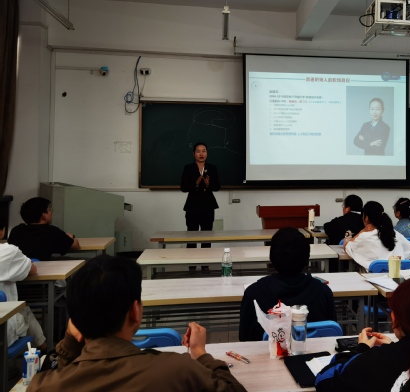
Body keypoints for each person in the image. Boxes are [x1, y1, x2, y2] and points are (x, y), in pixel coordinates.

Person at [28, 255, 247, 392]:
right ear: (135, 311)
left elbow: (58, 374)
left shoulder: (43, 386)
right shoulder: (177, 371)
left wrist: (70, 344)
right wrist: (200, 354)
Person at [239, 227, 336, 341]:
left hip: (268, 353)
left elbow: (244, 339)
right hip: (315, 352)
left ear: (271, 257)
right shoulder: (323, 292)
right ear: (307, 258)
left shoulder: (253, 293)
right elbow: (333, 337)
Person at [0, 207, 47, 351]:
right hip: (3, 328)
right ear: (2, 231)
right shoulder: (8, 251)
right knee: (23, 310)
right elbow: (32, 270)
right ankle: (47, 352)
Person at [344, 201, 410, 272]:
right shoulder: (394, 233)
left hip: (373, 278)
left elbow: (348, 247)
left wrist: (362, 231)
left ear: (366, 218)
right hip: (397, 276)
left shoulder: (364, 236)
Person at [180, 142, 221, 272]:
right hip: (192, 206)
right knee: (191, 235)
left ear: (207, 153)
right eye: (198, 151)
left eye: (204, 151)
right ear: (194, 154)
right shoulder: (188, 168)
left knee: (206, 235)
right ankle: (192, 264)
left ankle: (205, 263)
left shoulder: (212, 168)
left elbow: (217, 187)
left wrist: (208, 184)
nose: (201, 154)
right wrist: (196, 184)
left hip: (208, 205)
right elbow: (183, 187)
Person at [8, 197, 80, 261]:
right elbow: (75, 245)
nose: (51, 212)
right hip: (42, 269)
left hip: (18, 269)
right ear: (44, 215)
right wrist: (70, 237)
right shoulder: (52, 232)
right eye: (49, 210)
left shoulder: (16, 231)